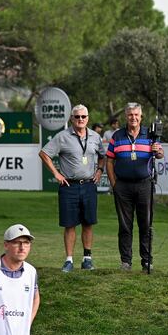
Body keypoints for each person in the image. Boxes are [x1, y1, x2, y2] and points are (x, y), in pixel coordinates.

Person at [40, 104, 105, 272]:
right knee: (70, 224)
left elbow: (103, 156)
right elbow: (44, 153)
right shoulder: (62, 136)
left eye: (84, 117)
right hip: (69, 185)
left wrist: (99, 170)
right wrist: (56, 173)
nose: (81, 120)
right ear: (72, 119)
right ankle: (69, 260)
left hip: (89, 185)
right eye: (77, 117)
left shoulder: (95, 137)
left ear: (88, 118)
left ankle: (87, 258)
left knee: (88, 223)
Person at [106, 103, 164, 273]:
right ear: (126, 116)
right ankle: (126, 262)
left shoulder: (150, 134)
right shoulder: (117, 136)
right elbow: (109, 160)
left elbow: (160, 154)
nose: (133, 118)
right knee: (125, 226)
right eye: (130, 114)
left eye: (136, 115)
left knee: (146, 224)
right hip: (122, 185)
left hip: (145, 184)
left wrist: (157, 150)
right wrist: (114, 183)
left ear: (141, 116)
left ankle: (147, 261)